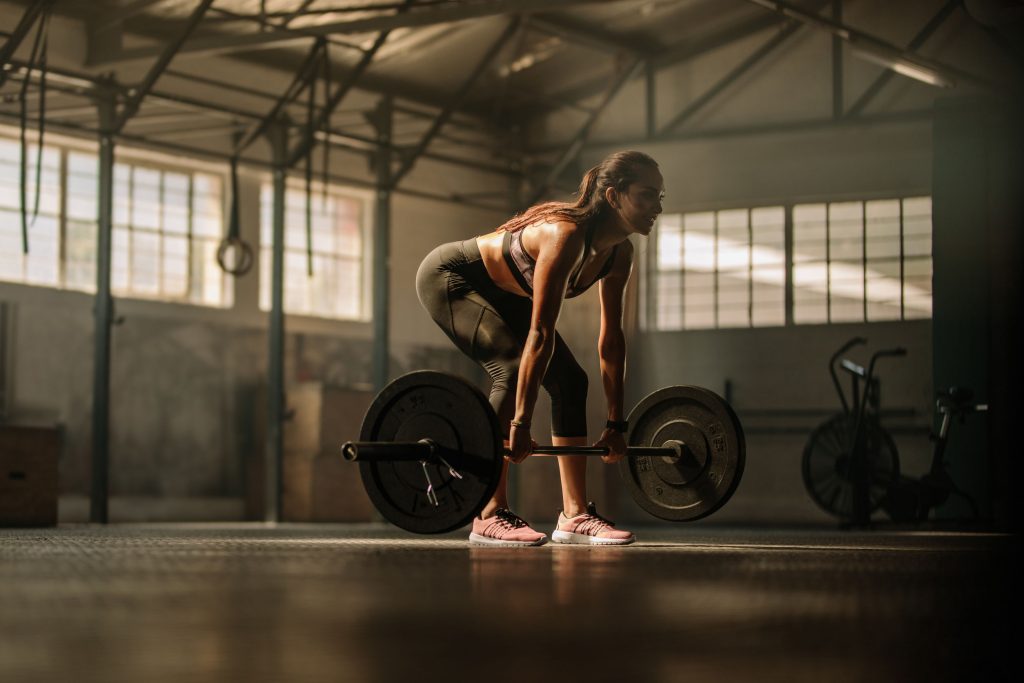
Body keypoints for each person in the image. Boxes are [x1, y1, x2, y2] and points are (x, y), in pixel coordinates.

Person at [415, 150, 664, 546]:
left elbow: (612, 340)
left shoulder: (620, 254)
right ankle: (488, 513)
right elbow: (542, 334)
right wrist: (520, 425)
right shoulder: (565, 236)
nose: (657, 207)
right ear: (615, 196)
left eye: (660, 198)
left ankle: (574, 515)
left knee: (571, 381)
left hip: (507, 292)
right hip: (452, 279)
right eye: (648, 195)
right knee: (510, 368)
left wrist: (616, 424)